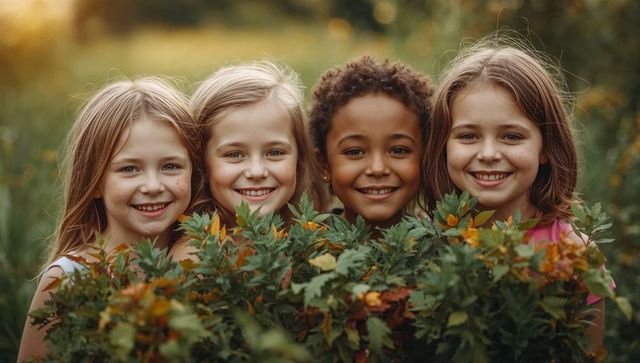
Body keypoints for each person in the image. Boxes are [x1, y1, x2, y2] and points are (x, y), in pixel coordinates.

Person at [423, 37, 605, 349]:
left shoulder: (576, 257)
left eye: (511, 136)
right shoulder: (426, 244)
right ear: (442, 146)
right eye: (468, 136)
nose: (489, 153)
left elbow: (588, 354)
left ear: (545, 147)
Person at [17, 77, 207, 361]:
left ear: (193, 171)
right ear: (93, 181)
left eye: (171, 166)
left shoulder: (203, 259)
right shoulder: (67, 279)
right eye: (129, 169)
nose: (153, 186)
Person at [170, 60, 327, 260]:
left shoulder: (315, 240)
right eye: (234, 154)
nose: (256, 172)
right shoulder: (195, 256)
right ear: (202, 163)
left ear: (300, 158)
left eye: (275, 152)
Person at [308, 56, 433, 232]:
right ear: (324, 165)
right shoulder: (303, 249)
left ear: (424, 157)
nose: (377, 169)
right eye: (354, 152)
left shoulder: (445, 247)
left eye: (398, 150)